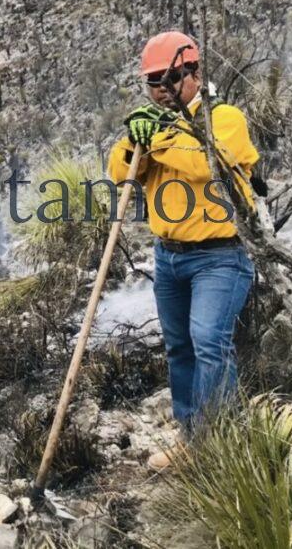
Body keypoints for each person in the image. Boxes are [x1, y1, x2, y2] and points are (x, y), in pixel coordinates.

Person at [108, 31, 259, 471]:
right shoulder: (152, 124)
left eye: (171, 77)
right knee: (179, 348)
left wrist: (155, 137)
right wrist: (135, 138)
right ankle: (192, 439)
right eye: (153, 81)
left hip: (220, 256)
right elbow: (120, 171)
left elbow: (203, 160)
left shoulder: (225, 116)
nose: (162, 89)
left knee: (210, 343)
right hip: (169, 256)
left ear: (193, 72)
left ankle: (219, 443)